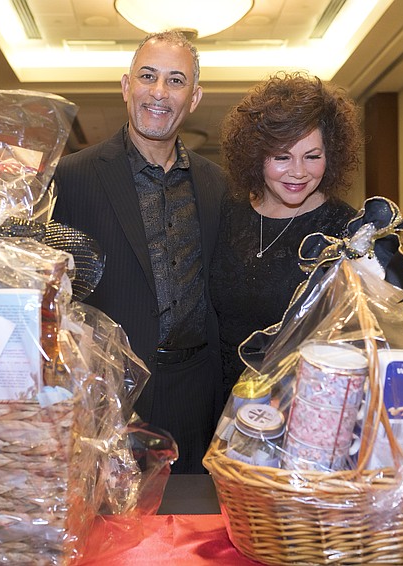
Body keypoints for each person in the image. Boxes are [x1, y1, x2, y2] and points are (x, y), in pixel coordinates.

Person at [51, 31, 226, 474]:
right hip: (107, 399)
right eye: (148, 76)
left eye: (175, 80)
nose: (159, 92)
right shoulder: (72, 177)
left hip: (197, 398)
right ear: (126, 86)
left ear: (195, 97)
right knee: (111, 533)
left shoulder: (219, 186)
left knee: (193, 532)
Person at [210, 71, 363, 398]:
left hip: (303, 405)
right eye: (282, 156)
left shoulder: (345, 230)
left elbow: (357, 337)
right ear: (256, 156)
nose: (298, 172)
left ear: (331, 156)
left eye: (312, 156)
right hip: (220, 400)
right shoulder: (226, 212)